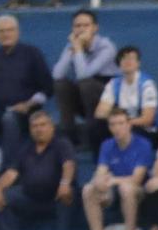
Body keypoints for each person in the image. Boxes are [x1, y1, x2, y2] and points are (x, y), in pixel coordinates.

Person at [0, 14, 51, 166]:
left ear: (18, 32)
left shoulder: (32, 54)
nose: (6, 34)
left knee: (9, 118)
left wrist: (28, 104)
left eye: (9, 30)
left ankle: (11, 168)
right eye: (1, 31)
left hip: (27, 111)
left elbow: (48, 88)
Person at [0, 109, 76, 230]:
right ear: (30, 129)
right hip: (30, 197)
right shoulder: (25, 148)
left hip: (56, 196)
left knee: (68, 194)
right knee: (2, 197)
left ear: (51, 126)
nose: (39, 129)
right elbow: (12, 173)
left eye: (43, 125)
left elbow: (68, 164)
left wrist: (65, 183)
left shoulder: (62, 144)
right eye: (35, 126)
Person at [51, 10, 121, 151]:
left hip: (108, 100)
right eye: (77, 26)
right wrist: (73, 49)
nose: (81, 29)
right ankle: (68, 136)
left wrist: (77, 49)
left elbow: (84, 75)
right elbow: (57, 75)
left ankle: (92, 133)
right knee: (60, 85)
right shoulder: (72, 44)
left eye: (86, 25)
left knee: (86, 84)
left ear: (95, 28)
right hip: (84, 98)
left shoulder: (106, 47)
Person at [81, 109, 154, 230]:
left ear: (129, 124)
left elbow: (137, 179)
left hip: (139, 190)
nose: (116, 128)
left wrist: (113, 180)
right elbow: (101, 171)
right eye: (112, 124)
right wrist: (99, 182)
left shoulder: (143, 144)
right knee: (88, 189)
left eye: (120, 123)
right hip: (112, 188)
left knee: (125, 188)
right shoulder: (106, 145)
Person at [94, 45, 158, 148]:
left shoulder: (147, 84)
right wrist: (117, 123)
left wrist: (123, 123)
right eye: (124, 58)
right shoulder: (113, 84)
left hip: (145, 129)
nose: (127, 61)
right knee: (97, 126)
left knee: (130, 130)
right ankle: (101, 160)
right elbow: (100, 113)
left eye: (131, 58)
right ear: (119, 64)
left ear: (138, 63)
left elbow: (148, 119)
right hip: (121, 123)